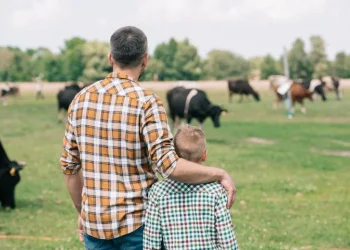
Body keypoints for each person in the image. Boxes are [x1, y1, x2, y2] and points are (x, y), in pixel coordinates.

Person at [60, 26, 236, 250]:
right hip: (139, 227)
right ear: (145, 60)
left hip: (94, 226)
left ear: (110, 57)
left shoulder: (80, 100)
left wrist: (82, 213)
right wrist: (220, 174)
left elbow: (70, 167)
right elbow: (168, 165)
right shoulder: (147, 103)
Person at [144, 124, 239, 249]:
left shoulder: (158, 192)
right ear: (204, 155)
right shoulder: (216, 192)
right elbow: (228, 242)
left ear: (174, 155)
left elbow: (152, 242)